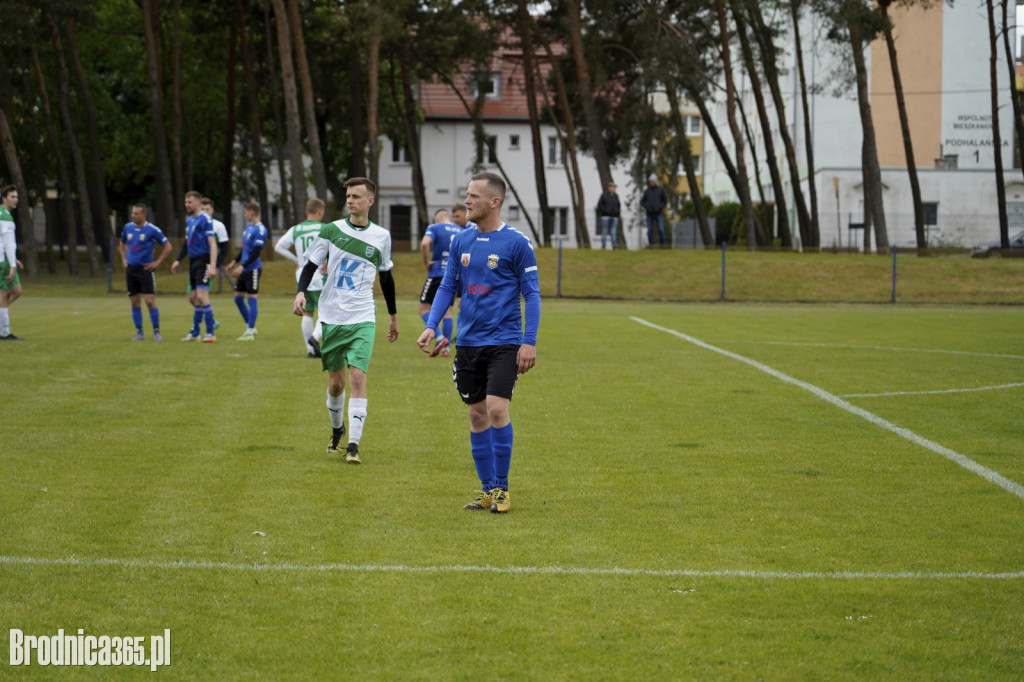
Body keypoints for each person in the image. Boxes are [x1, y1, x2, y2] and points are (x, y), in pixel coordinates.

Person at [416, 172, 540, 514]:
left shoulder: (517, 243)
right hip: (468, 343)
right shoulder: (461, 241)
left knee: (497, 408)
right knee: (476, 414)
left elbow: (532, 294)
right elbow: (447, 287)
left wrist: (528, 342)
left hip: (504, 342)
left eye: (473, 196)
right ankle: (486, 490)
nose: (466, 201)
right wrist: (432, 325)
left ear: (494, 202)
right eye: (467, 195)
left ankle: (502, 489)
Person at [292, 177, 399, 465]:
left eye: (356, 196)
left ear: (370, 201)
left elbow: (386, 277)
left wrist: (393, 316)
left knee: (357, 377)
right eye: (348, 196)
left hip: (363, 316)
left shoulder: (381, 236)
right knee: (337, 385)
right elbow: (311, 265)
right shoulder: (331, 230)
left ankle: (353, 444)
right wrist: (301, 291)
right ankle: (337, 429)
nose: (350, 200)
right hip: (331, 317)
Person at [276, 197, 328, 358]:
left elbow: (279, 246)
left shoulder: (296, 229)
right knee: (326, 311)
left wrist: (296, 260)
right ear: (320, 212)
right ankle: (315, 337)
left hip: (303, 276)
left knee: (307, 313)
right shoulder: (325, 228)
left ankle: (311, 350)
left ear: (307, 212)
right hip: (320, 274)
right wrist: (328, 261)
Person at [118, 203, 173, 340]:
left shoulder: (152, 230)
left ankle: (156, 331)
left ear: (144, 215)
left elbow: (168, 246)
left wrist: (157, 262)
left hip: (145, 270)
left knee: (149, 301)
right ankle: (140, 332)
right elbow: (122, 243)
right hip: (131, 270)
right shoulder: (128, 227)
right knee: (135, 301)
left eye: (136, 213)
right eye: (132, 213)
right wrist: (124, 259)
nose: (133, 215)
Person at [171, 190, 218, 342]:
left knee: (202, 295)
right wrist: (178, 260)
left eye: (190, 202)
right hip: (193, 261)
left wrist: (212, 265)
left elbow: (212, 244)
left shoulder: (205, 219)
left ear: (198, 202)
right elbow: (187, 243)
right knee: (194, 298)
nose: (187, 205)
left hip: (203, 260)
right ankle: (196, 333)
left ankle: (210, 333)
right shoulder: (190, 220)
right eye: (186, 202)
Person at [419, 208, 462, 358]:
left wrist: (426, 262)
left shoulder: (434, 227)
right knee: (448, 312)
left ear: (437, 219)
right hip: (452, 275)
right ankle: (446, 349)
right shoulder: (460, 230)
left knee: (424, 309)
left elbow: (425, 244)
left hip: (436, 273)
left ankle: (439, 338)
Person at [226, 202, 267, 341]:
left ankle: (249, 332)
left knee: (252, 298)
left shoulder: (260, 230)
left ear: (252, 212)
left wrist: (242, 266)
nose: (244, 215)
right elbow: (245, 249)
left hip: (253, 269)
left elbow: (255, 253)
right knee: (237, 298)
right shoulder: (248, 228)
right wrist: (234, 262)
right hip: (243, 267)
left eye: (246, 212)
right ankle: (250, 325)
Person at [0, 185, 24, 340]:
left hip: (6, 259)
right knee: (4, 294)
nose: (16, 199)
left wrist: (13, 259)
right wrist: (12, 266)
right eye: (12, 197)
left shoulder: (4, 215)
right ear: (4, 198)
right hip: (4, 262)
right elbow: (7, 243)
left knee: (17, 291)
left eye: (16, 196)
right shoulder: (5, 217)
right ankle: (5, 332)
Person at [201, 197, 232, 288]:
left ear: (212, 210)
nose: (205, 212)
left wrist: (215, 265)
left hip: (209, 264)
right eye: (202, 209)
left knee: (201, 294)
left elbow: (224, 248)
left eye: (207, 209)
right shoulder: (194, 224)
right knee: (192, 297)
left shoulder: (218, 226)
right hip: (196, 263)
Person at [641, 173, 667, 247]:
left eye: (652, 181)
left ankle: (663, 244)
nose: (651, 183)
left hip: (658, 213)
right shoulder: (647, 191)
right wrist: (647, 207)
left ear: (655, 181)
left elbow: (664, 201)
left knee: (661, 229)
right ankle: (651, 244)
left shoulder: (660, 190)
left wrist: (660, 207)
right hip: (649, 214)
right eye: (650, 181)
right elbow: (642, 201)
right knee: (649, 230)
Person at [596, 181, 621, 249]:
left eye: (614, 187)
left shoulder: (616, 196)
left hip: (614, 217)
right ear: (609, 188)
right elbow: (599, 205)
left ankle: (614, 244)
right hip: (605, 216)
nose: (614, 189)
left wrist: (617, 212)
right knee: (604, 231)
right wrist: (605, 210)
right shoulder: (604, 195)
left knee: (613, 231)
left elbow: (618, 205)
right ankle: (603, 244)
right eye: (612, 187)